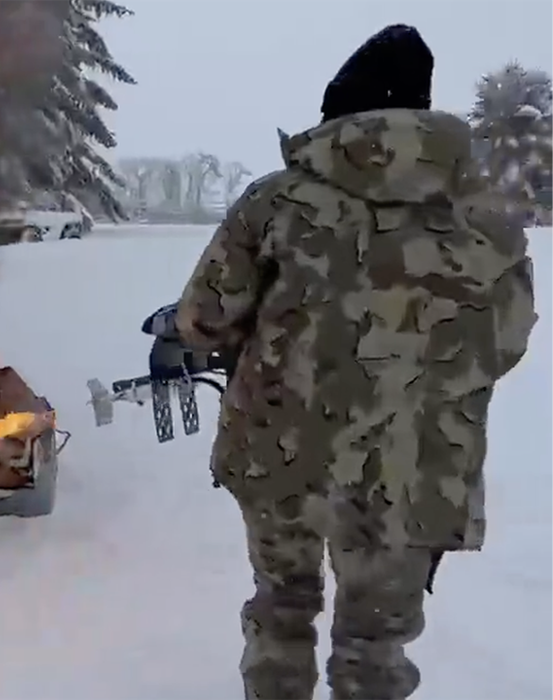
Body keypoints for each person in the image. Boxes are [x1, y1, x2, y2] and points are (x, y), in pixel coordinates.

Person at [173, 24, 538, 700]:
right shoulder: (485, 219)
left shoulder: (277, 200)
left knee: (281, 610)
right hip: (417, 465)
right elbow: (506, 340)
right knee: (376, 644)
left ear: (336, 111)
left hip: (281, 453)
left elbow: (204, 318)